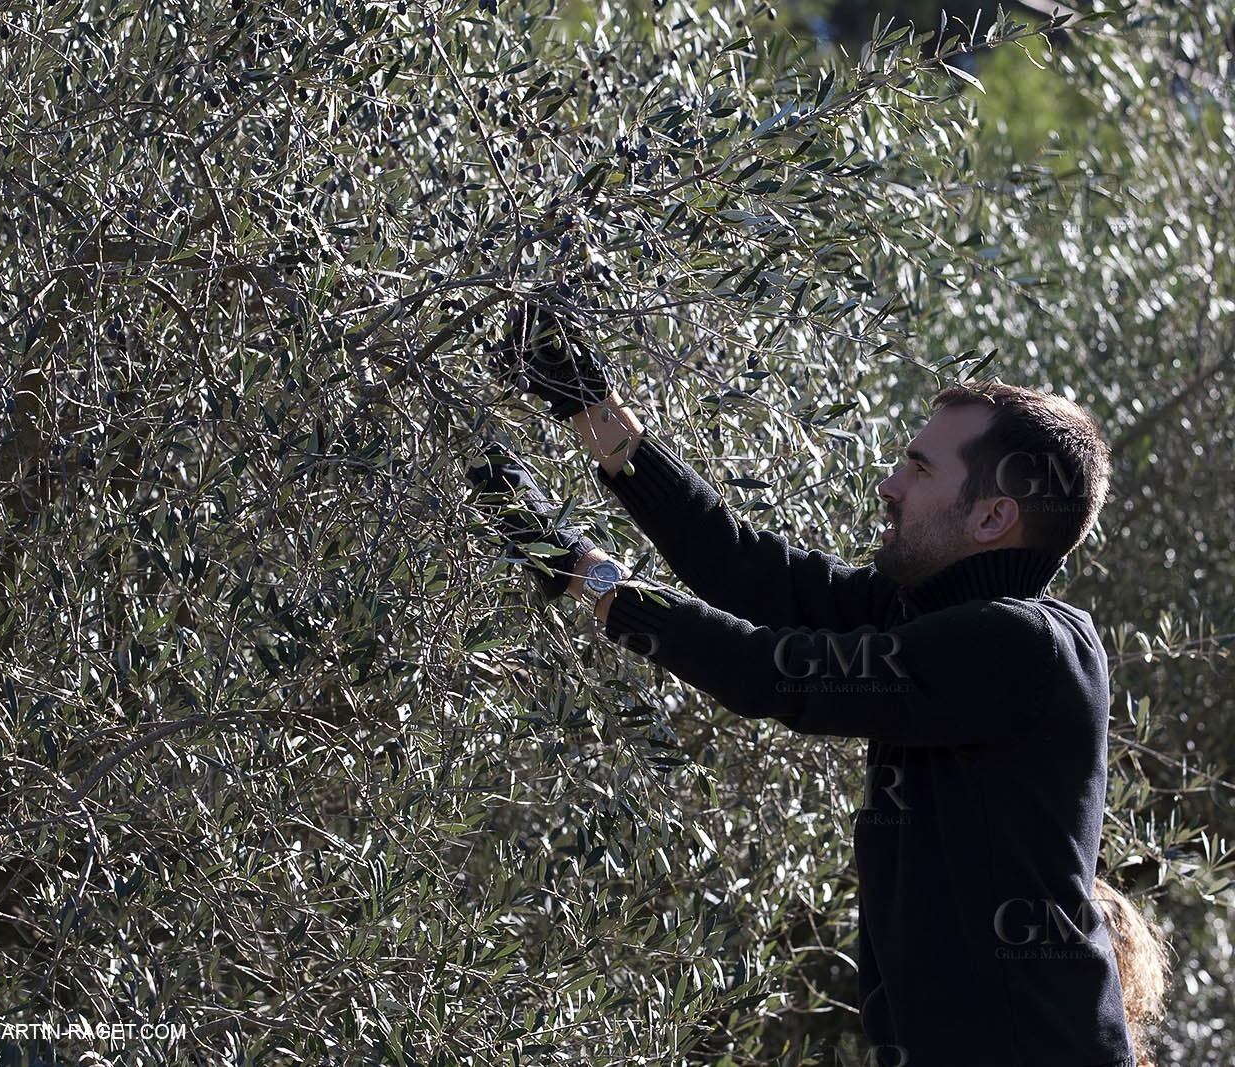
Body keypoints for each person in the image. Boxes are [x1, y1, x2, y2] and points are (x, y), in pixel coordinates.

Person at [465, 295, 1171, 1065]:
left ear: (992, 517)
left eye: (920, 467)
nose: (890, 485)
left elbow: (776, 671)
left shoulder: (1026, 644)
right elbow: (746, 568)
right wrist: (591, 408)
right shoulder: (928, 611)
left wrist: (579, 570)